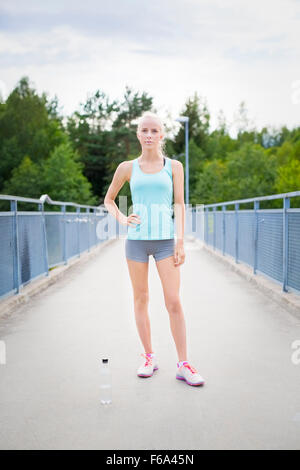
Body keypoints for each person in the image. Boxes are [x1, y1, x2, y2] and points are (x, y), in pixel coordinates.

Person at [104, 111, 205, 387]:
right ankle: (149, 357)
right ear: (138, 134)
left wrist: (180, 240)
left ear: (162, 135)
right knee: (141, 299)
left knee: (173, 300)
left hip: (165, 242)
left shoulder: (174, 166)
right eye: (144, 130)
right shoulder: (127, 167)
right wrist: (123, 219)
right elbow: (109, 200)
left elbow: (180, 204)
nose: (149, 135)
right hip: (136, 242)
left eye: (154, 131)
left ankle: (184, 364)